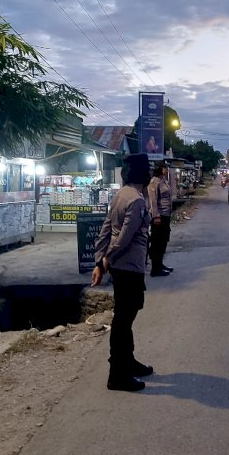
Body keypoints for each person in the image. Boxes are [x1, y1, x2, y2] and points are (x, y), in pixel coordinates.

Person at [92, 153, 153, 392]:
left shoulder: (121, 195)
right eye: (147, 171)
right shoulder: (136, 200)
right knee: (124, 319)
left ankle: (127, 362)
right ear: (143, 174)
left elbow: (106, 230)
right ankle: (118, 374)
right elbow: (125, 238)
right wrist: (106, 260)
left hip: (121, 267)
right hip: (129, 267)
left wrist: (99, 260)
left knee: (125, 316)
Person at [147, 163, 173, 277]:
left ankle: (160, 264)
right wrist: (156, 216)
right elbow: (153, 201)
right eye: (165, 168)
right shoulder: (154, 182)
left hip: (166, 215)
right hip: (159, 217)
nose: (167, 170)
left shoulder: (163, 181)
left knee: (164, 240)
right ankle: (155, 268)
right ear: (160, 169)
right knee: (157, 241)